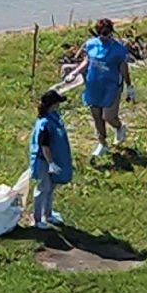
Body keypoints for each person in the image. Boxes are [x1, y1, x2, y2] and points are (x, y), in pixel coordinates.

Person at [66, 18, 134, 158]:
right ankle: (102, 143)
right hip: (94, 85)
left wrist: (129, 87)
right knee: (97, 116)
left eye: (107, 33)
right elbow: (87, 61)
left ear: (111, 32)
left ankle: (119, 127)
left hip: (111, 86)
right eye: (101, 33)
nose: (104, 36)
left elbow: (123, 68)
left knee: (108, 116)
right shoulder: (91, 44)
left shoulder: (118, 49)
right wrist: (75, 72)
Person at [29, 89, 72, 228]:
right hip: (44, 161)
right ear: (52, 104)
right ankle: (37, 219)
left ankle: (48, 215)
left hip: (53, 159)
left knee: (50, 188)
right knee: (42, 188)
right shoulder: (45, 124)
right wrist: (51, 163)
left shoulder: (54, 117)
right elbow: (44, 146)